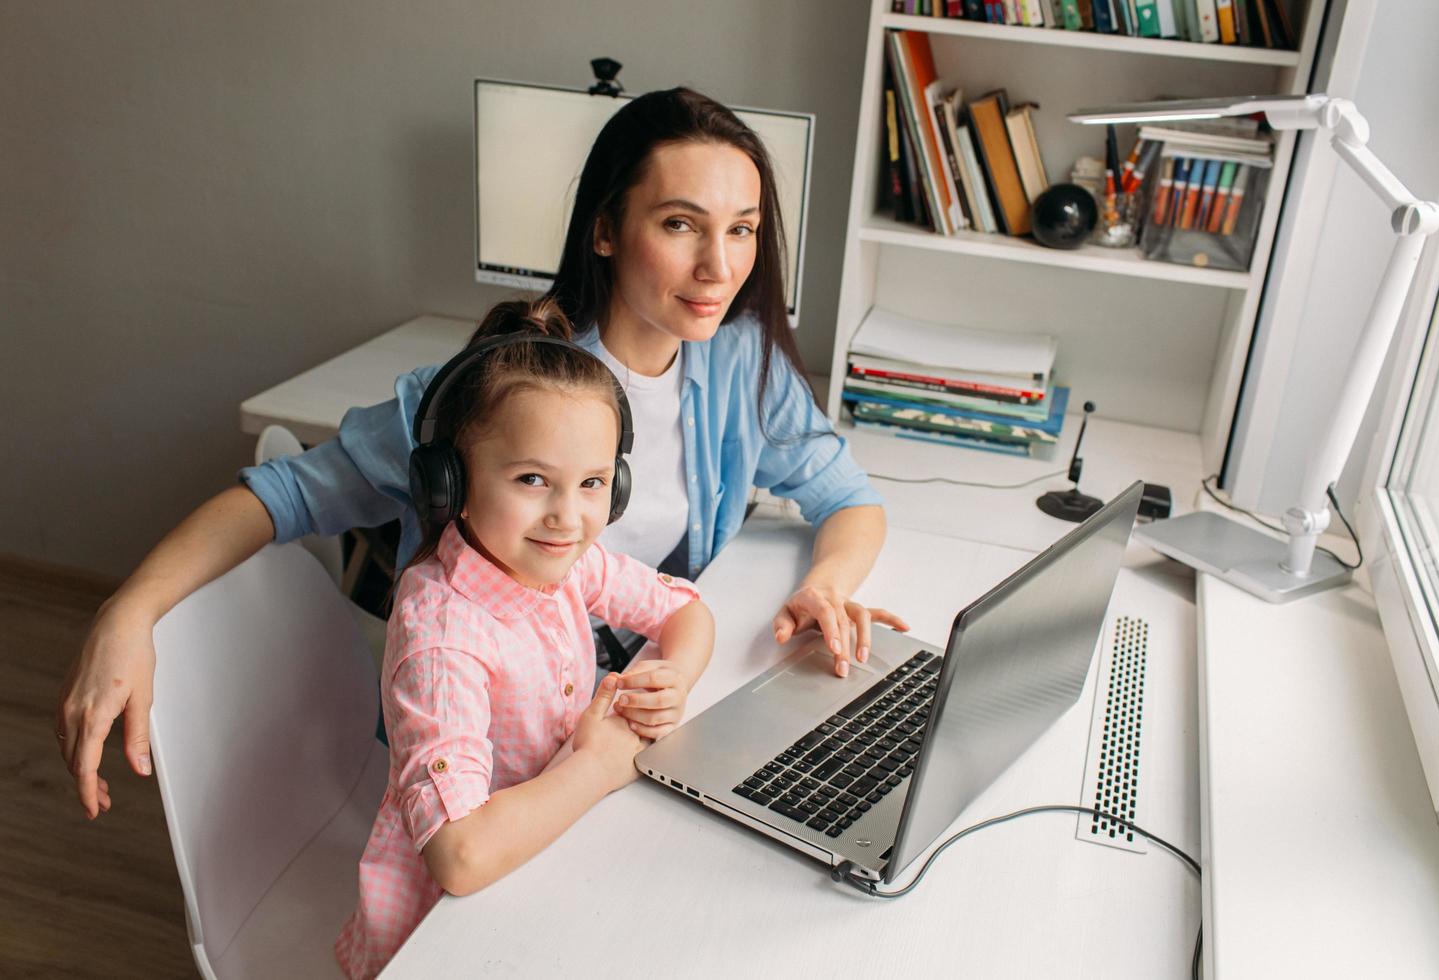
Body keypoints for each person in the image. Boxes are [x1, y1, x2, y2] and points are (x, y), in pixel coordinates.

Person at [56, 86, 906, 820]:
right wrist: (126, 612)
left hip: (634, 714)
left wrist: (824, 588)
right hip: (489, 764)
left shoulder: (738, 361)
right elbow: (280, 497)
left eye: (744, 229)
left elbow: (847, 496)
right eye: (681, 224)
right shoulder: (495, 390)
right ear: (606, 230)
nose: (719, 266)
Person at [334, 299, 712, 978]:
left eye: (593, 483)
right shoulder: (444, 640)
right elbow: (460, 856)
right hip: (441, 935)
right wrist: (596, 765)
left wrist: (674, 678)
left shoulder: (559, 561)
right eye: (532, 479)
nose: (568, 516)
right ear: (452, 486)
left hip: (544, 852)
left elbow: (686, 613)